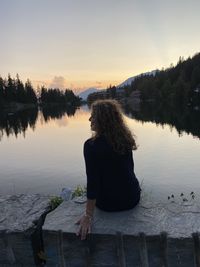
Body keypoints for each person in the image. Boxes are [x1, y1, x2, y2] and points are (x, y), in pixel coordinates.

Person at [76, 99, 141, 240]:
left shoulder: (91, 146)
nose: (89, 119)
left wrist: (88, 215)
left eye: (93, 116)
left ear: (102, 119)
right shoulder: (125, 139)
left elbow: (93, 183)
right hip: (132, 198)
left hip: (108, 204)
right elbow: (129, 170)